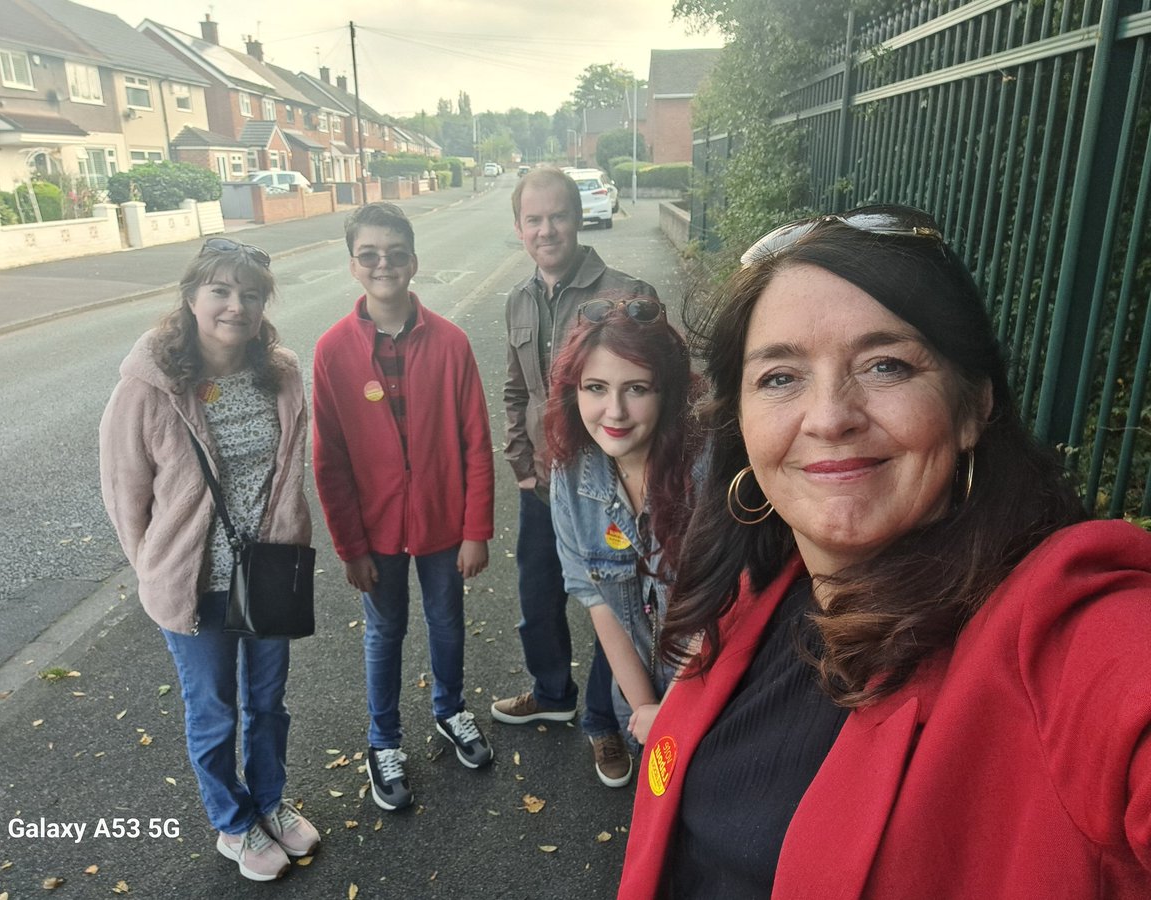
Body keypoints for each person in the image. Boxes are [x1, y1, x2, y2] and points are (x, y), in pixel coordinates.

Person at [620, 205, 1151, 898]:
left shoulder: (1063, 634)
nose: (831, 415)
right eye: (780, 377)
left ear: (973, 408)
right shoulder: (757, 589)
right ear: (741, 424)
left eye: (886, 366)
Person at [99, 238, 319, 882]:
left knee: (268, 702)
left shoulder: (278, 372)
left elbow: (288, 474)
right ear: (192, 297)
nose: (235, 305)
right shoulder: (150, 387)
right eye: (221, 290)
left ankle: (270, 804)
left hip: (269, 573)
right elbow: (124, 495)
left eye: (250, 294)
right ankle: (233, 822)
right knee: (214, 709)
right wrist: (155, 568)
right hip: (192, 583)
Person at [312, 202, 495, 813]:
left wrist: (476, 530)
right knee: (384, 629)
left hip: (443, 520)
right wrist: (350, 547)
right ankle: (382, 740)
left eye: (395, 253)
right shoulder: (333, 351)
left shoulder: (450, 343)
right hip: (375, 529)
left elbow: (475, 440)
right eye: (370, 254)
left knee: (446, 620)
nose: (383, 263)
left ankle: (450, 709)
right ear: (353, 265)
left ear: (413, 262)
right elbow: (329, 458)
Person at [492, 166, 660, 789]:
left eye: (557, 215)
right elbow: (516, 390)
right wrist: (520, 462)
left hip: (611, 487)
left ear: (578, 216)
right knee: (540, 601)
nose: (546, 229)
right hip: (545, 483)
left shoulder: (626, 291)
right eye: (533, 219)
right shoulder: (518, 300)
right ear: (519, 229)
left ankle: (602, 720)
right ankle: (551, 690)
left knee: (611, 602)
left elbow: (655, 387)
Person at [543, 295, 704, 748]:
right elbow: (598, 602)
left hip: (715, 699)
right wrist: (644, 710)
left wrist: (672, 715)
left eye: (636, 388)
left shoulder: (710, 472)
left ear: (667, 393)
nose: (613, 411)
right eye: (595, 387)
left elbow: (726, 612)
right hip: (642, 703)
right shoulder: (570, 474)